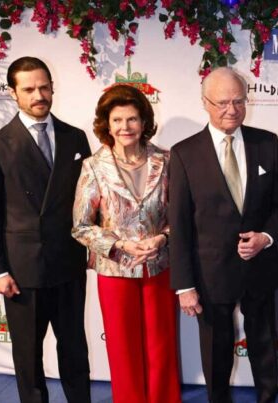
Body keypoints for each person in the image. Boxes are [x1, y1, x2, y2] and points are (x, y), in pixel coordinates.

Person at [169, 67, 278, 403]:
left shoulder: (266, 143)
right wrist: (184, 286)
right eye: (222, 103)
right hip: (210, 274)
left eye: (239, 101)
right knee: (216, 353)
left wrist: (266, 237)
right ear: (205, 103)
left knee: (264, 346)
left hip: (259, 267)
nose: (232, 110)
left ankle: (267, 398)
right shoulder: (184, 153)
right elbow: (179, 224)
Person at [0, 56, 91, 403]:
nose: (38, 95)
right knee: (28, 357)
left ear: (52, 87)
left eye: (43, 87)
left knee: (75, 350)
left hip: (68, 263)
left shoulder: (75, 137)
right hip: (22, 271)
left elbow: (89, 201)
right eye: (28, 89)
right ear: (13, 93)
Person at [71, 85, 180, 403]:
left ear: (144, 122)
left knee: (162, 344)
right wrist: (120, 244)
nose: (125, 127)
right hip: (115, 270)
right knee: (122, 349)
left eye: (132, 119)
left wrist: (163, 237)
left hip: (159, 265)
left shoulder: (166, 160)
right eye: (117, 120)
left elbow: (181, 215)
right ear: (107, 124)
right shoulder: (93, 167)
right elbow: (81, 227)